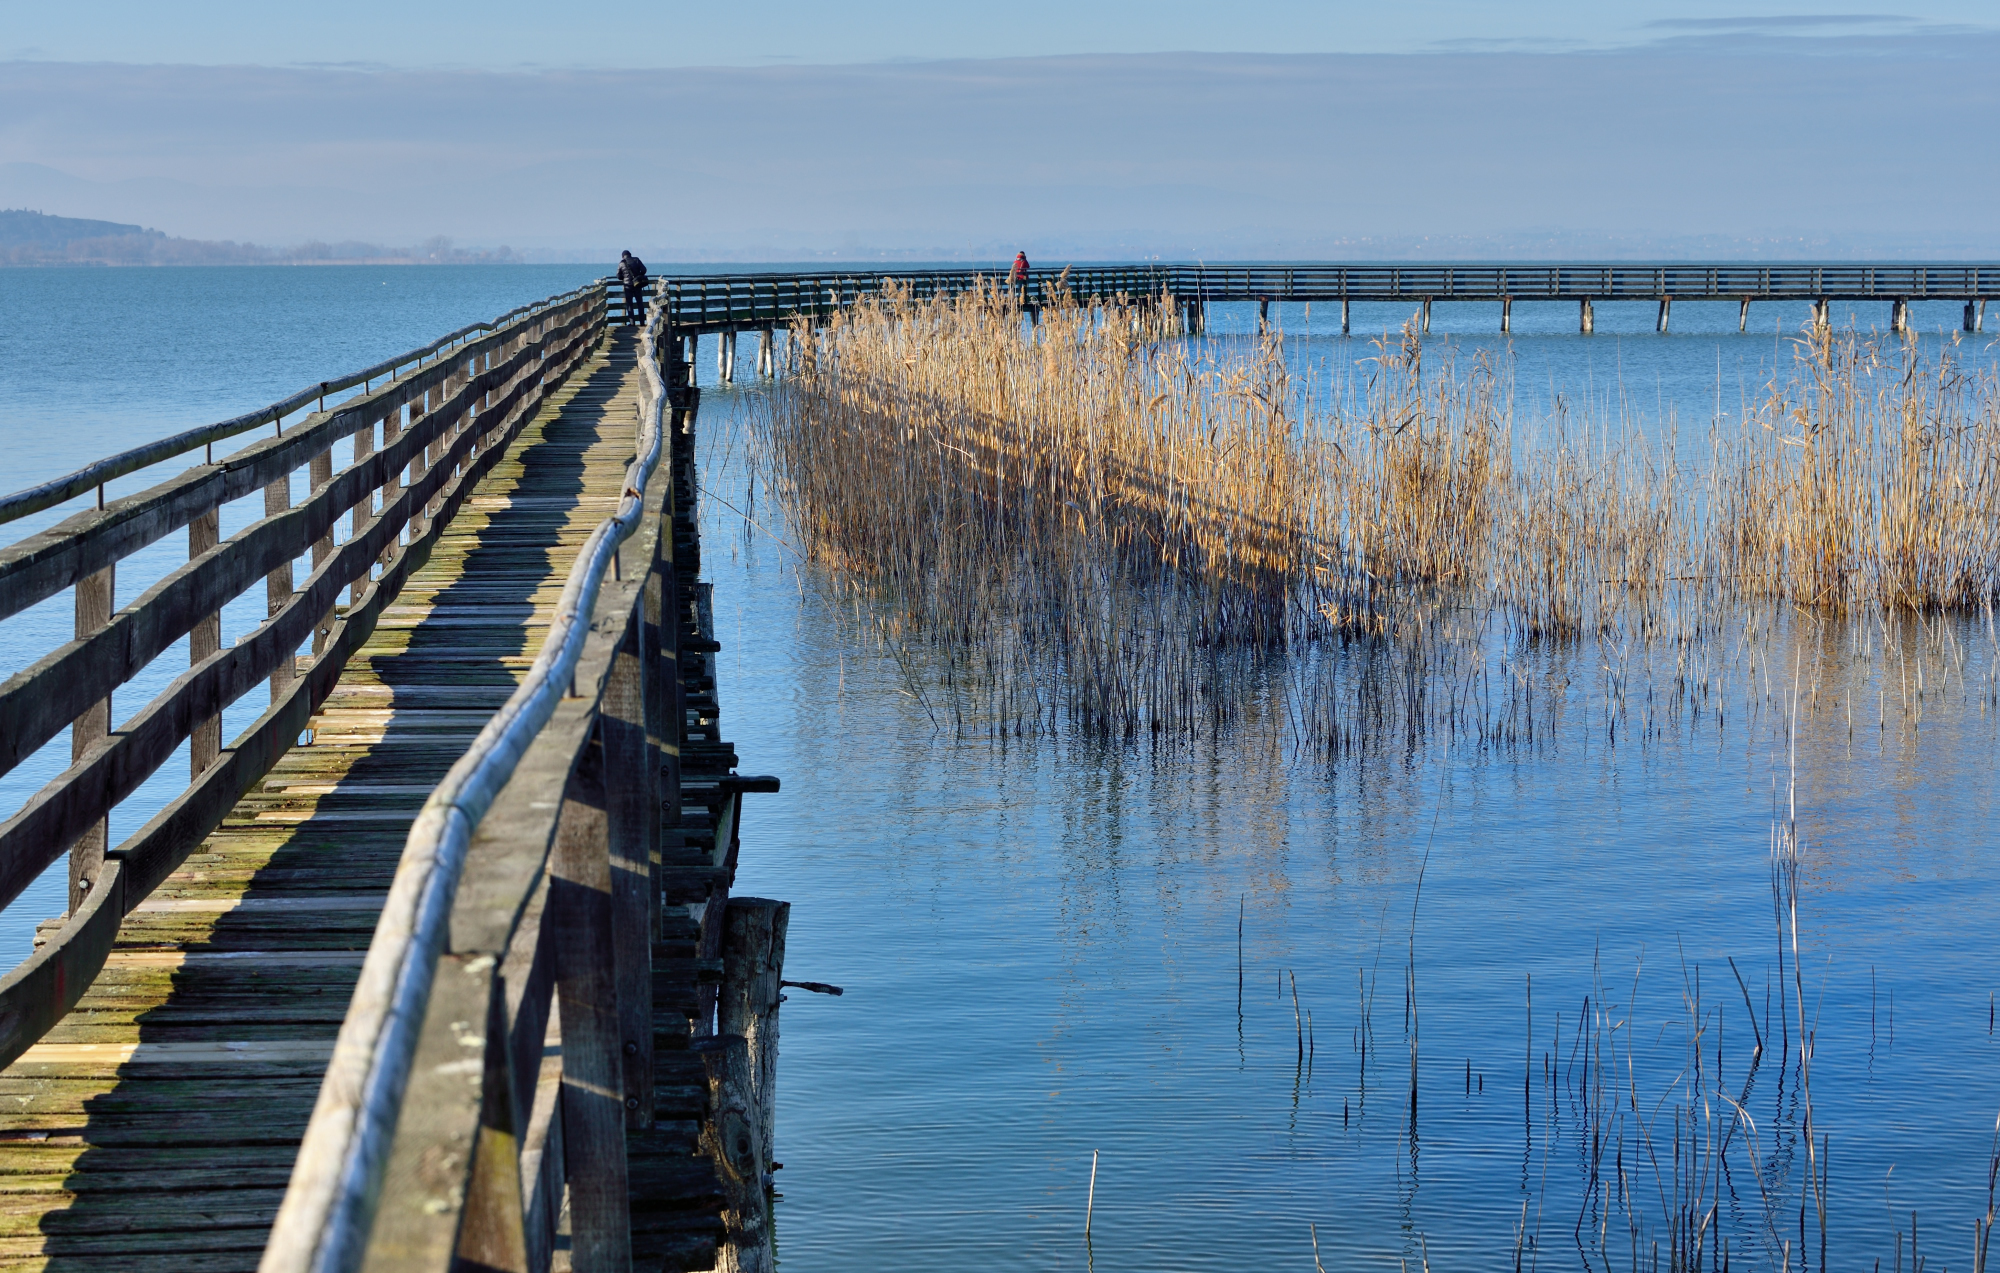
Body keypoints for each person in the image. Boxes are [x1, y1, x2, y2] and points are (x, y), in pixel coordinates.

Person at [617, 250, 649, 324]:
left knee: (629, 304)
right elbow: (644, 270)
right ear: (630, 255)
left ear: (623, 256)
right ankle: (642, 322)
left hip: (627, 286)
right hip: (637, 284)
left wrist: (624, 278)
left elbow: (618, 276)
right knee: (640, 303)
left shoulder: (621, 263)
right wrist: (638, 276)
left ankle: (632, 323)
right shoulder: (636, 260)